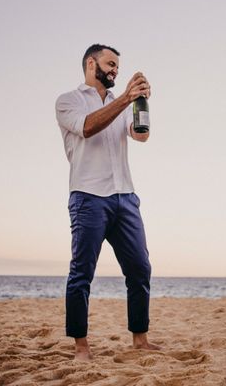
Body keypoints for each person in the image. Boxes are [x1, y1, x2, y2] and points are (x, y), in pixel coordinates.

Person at [55, 44, 159, 360]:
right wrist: (127, 98)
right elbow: (88, 127)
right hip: (88, 197)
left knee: (140, 269)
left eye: (117, 66)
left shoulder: (122, 102)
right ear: (91, 63)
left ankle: (139, 340)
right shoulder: (68, 101)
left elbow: (141, 135)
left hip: (125, 197)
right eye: (110, 64)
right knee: (81, 273)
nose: (115, 70)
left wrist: (140, 103)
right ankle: (81, 346)